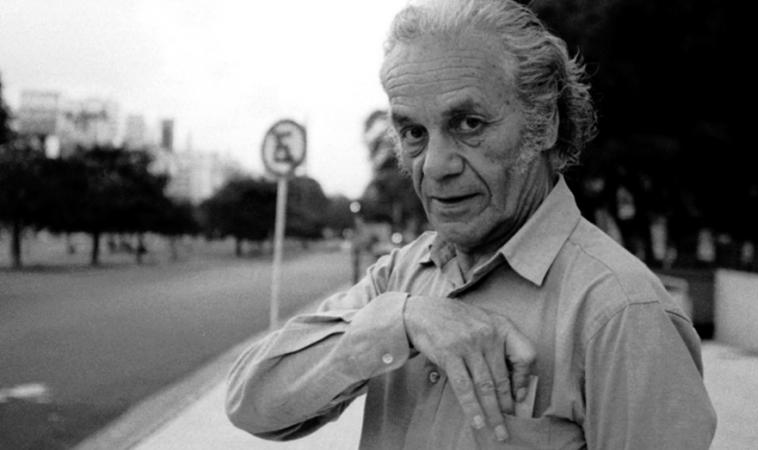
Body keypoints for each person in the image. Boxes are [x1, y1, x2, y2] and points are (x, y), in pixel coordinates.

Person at [226, 0, 717, 448]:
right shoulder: (402, 276)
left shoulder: (621, 313)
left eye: (469, 124)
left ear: (545, 123)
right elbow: (250, 403)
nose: (435, 165)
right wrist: (400, 323)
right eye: (414, 132)